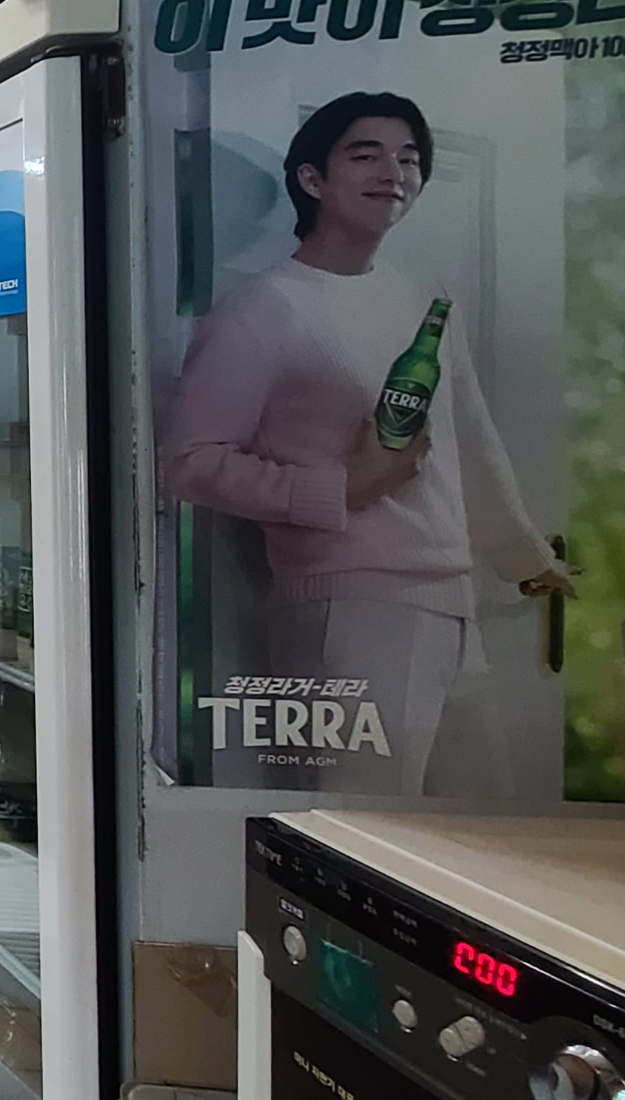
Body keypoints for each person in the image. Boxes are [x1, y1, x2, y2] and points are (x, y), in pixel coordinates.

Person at [163, 92, 569, 794]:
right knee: (365, 845)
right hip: (349, 612)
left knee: (491, 835)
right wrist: (340, 486)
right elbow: (188, 463)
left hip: (452, 603)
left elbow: (468, 436)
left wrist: (523, 557)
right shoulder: (261, 311)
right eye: (367, 155)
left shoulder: (422, 299)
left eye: (409, 159)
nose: (394, 173)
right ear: (311, 180)